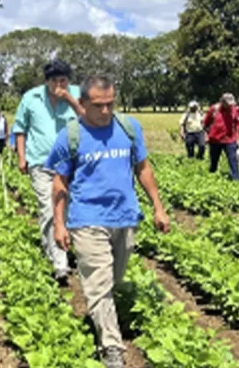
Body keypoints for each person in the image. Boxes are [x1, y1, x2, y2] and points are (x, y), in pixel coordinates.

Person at [47, 75, 170, 368]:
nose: (105, 111)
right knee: (99, 285)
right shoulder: (70, 136)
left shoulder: (129, 128)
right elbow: (59, 182)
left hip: (125, 216)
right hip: (87, 219)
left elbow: (143, 169)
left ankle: (100, 314)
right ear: (84, 103)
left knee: (112, 279)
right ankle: (112, 348)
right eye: (98, 105)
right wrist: (60, 224)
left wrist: (158, 207)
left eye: (110, 104)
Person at [13, 59, 82, 283]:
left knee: (67, 209)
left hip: (70, 163)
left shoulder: (76, 94)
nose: (59, 85)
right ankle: (59, 263)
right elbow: (20, 129)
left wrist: (70, 99)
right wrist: (22, 157)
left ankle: (55, 246)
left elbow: (90, 118)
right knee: (49, 208)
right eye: (54, 81)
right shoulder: (31, 98)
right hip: (40, 162)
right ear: (46, 81)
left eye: (63, 80)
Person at [203, 93, 239, 181]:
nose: (230, 106)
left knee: (233, 160)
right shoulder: (214, 109)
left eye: (231, 104)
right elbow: (205, 123)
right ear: (222, 102)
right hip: (215, 140)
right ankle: (212, 178)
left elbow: (236, 124)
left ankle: (237, 179)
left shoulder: (234, 110)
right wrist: (206, 135)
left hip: (230, 140)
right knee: (214, 161)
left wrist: (237, 137)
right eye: (228, 104)